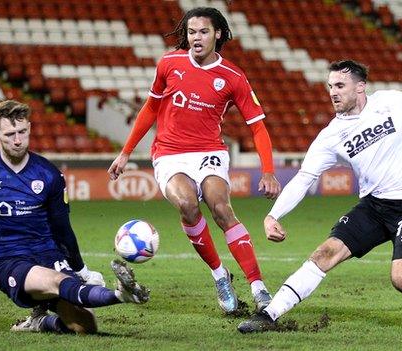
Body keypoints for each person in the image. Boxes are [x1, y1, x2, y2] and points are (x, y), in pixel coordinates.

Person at [238, 60, 402, 332]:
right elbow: (305, 178)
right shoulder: (330, 136)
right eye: (330, 87)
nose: (333, 92)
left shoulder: (393, 102)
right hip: (375, 206)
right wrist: (273, 215)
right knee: (325, 252)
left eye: (340, 85)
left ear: (361, 87)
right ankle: (269, 315)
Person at [0, 100, 150, 334]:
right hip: (6, 258)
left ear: (30, 128)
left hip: (47, 252)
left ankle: (39, 322)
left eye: (22, 132)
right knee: (56, 283)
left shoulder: (49, 174)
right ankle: (121, 294)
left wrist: (82, 270)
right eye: (9, 134)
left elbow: (62, 230)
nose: (17, 140)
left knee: (85, 324)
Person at [108, 7, 281, 314]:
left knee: (220, 207)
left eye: (203, 31)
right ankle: (220, 277)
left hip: (210, 152)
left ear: (218, 34)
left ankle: (258, 287)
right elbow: (150, 108)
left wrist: (267, 171)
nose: (196, 38)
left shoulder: (233, 76)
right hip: (169, 153)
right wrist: (125, 153)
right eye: (191, 32)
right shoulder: (169, 63)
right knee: (188, 205)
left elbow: (257, 125)